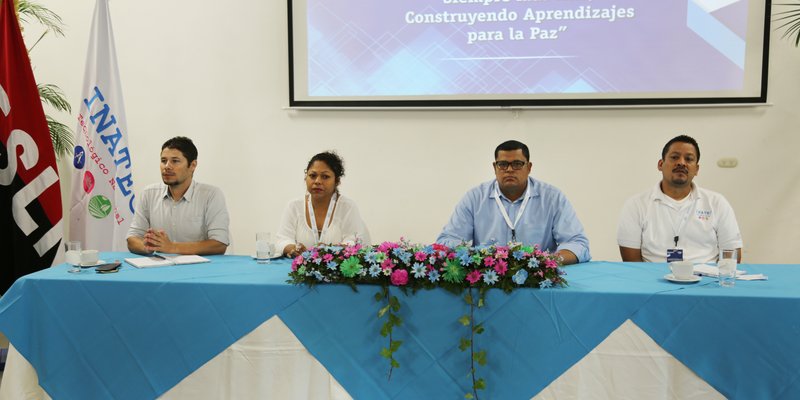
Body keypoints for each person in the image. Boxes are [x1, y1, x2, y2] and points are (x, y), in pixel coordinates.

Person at [436, 140, 590, 265]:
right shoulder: (475, 198)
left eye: (517, 164)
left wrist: (547, 261)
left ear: (529, 167)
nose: (509, 170)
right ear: (494, 167)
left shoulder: (552, 198)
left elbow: (577, 244)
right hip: (488, 280)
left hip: (539, 279)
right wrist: (475, 257)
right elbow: (447, 241)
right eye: (502, 164)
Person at [617, 135, 743, 263]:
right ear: (660, 164)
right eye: (674, 157)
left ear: (696, 169)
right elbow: (632, 262)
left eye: (689, 159)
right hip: (653, 280)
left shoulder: (717, 203)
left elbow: (731, 254)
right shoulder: (636, 205)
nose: (681, 163)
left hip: (706, 279)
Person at [127, 136, 230, 255]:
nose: (167, 166)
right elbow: (132, 238)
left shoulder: (211, 195)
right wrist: (147, 247)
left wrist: (172, 247)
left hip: (201, 269)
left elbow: (219, 244)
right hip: (160, 267)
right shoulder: (148, 193)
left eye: (175, 161)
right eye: (163, 161)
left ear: (192, 165)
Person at [277, 151, 371, 258]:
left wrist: (329, 250)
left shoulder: (347, 207)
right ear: (305, 178)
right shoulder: (294, 206)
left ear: (337, 181)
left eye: (325, 177)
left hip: (337, 271)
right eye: (312, 175)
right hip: (299, 270)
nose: (317, 181)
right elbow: (282, 240)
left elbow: (353, 243)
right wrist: (294, 248)